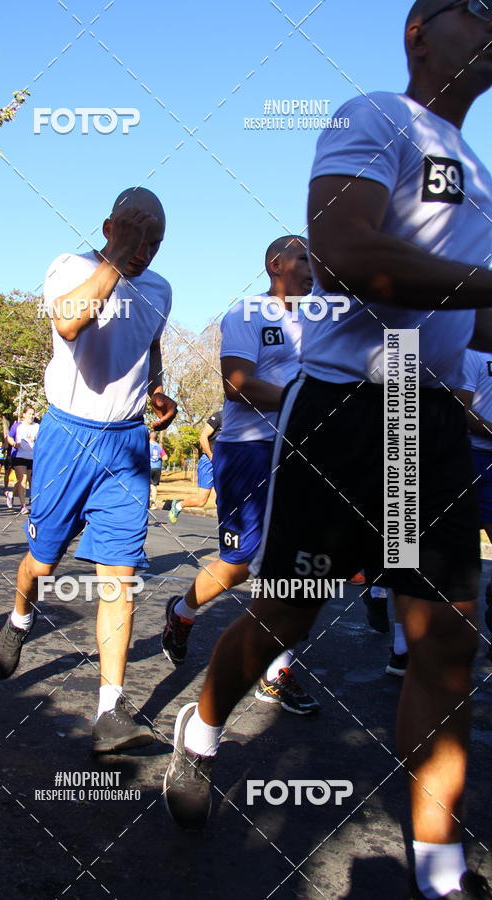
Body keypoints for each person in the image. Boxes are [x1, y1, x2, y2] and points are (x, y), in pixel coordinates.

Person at [164, 5, 492, 899]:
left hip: (429, 417)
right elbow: (346, 256)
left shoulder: (481, 173)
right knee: (289, 616)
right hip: (343, 408)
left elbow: (474, 313)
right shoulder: (373, 114)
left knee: (448, 640)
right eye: (480, 8)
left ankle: (439, 869)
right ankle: (200, 733)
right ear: (422, 30)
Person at [0, 187, 177, 754]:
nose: (145, 250)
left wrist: (159, 391)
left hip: (125, 445)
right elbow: (70, 323)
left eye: (154, 242)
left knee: (119, 578)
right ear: (108, 227)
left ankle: (111, 710)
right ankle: (20, 617)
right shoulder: (71, 266)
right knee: (44, 561)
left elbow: (151, 345)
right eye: (136, 236)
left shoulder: (161, 289)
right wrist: (115, 261)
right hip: (68, 434)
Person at [162, 237, 319, 715]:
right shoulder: (248, 314)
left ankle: (277, 673)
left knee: (300, 564)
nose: (314, 269)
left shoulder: (321, 321)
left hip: (301, 452)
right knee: (241, 562)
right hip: (248, 451)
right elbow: (238, 386)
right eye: (304, 258)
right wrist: (302, 401)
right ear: (276, 264)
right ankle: (183, 612)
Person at [456, 348, 492, 657]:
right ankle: (405, 648)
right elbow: (460, 407)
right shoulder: (472, 353)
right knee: (456, 562)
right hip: (470, 460)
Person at [168, 409, 222, 521]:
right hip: (209, 461)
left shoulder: (240, 420)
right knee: (201, 500)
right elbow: (203, 438)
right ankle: (178, 505)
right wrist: (212, 457)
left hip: (225, 463)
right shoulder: (219, 416)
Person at [10, 407, 39, 515]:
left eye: (33, 414)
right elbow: (9, 437)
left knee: (28, 480)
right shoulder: (17, 425)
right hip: (19, 455)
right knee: (23, 479)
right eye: (29, 414)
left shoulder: (37, 427)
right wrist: (14, 443)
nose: (31, 416)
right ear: (24, 414)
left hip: (31, 456)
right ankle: (23, 506)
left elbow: (41, 439)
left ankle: (11, 493)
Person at [148, 430, 167, 509]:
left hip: (148, 467)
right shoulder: (159, 446)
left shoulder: (147, 445)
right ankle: (153, 504)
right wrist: (158, 457)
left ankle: (147, 502)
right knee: (154, 486)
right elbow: (165, 457)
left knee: (147, 485)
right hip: (157, 467)